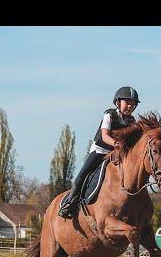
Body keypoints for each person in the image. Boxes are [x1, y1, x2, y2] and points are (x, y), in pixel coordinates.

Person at [58, 86, 140, 219]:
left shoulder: (132, 121)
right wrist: (116, 144)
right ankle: (69, 203)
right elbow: (104, 136)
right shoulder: (110, 115)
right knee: (84, 173)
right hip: (101, 150)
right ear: (118, 102)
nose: (130, 106)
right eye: (127, 102)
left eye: (133, 103)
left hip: (117, 154)